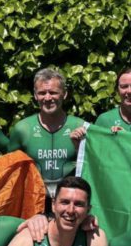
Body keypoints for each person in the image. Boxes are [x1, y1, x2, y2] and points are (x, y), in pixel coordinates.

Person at [8, 68, 86, 201]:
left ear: (64, 94)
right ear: (35, 95)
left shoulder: (80, 126)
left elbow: (96, 166)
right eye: (42, 93)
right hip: (33, 201)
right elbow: (9, 170)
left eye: (53, 92)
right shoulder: (22, 129)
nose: (48, 98)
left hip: (70, 201)